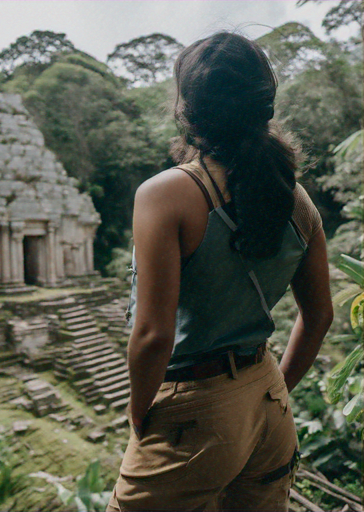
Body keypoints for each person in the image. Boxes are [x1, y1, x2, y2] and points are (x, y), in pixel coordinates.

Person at [107, 32, 333, 512]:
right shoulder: (298, 199)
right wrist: (273, 392)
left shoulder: (164, 194)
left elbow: (151, 335)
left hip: (192, 414)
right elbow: (319, 317)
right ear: (263, 102)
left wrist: (137, 413)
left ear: (188, 108)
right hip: (269, 404)